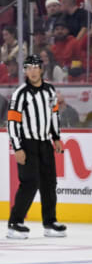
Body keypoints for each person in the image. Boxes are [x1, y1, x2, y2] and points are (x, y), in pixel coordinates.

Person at [6, 55, 66, 239]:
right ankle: (15, 223)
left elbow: (54, 115)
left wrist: (56, 137)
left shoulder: (50, 91)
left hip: (44, 144)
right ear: (25, 71)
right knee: (29, 183)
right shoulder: (20, 94)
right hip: (27, 143)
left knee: (49, 183)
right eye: (28, 68)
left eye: (35, 67)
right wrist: (17, 148)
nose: (32, 71)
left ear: (41, 69)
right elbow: (13, 122)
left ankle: (50, 222)